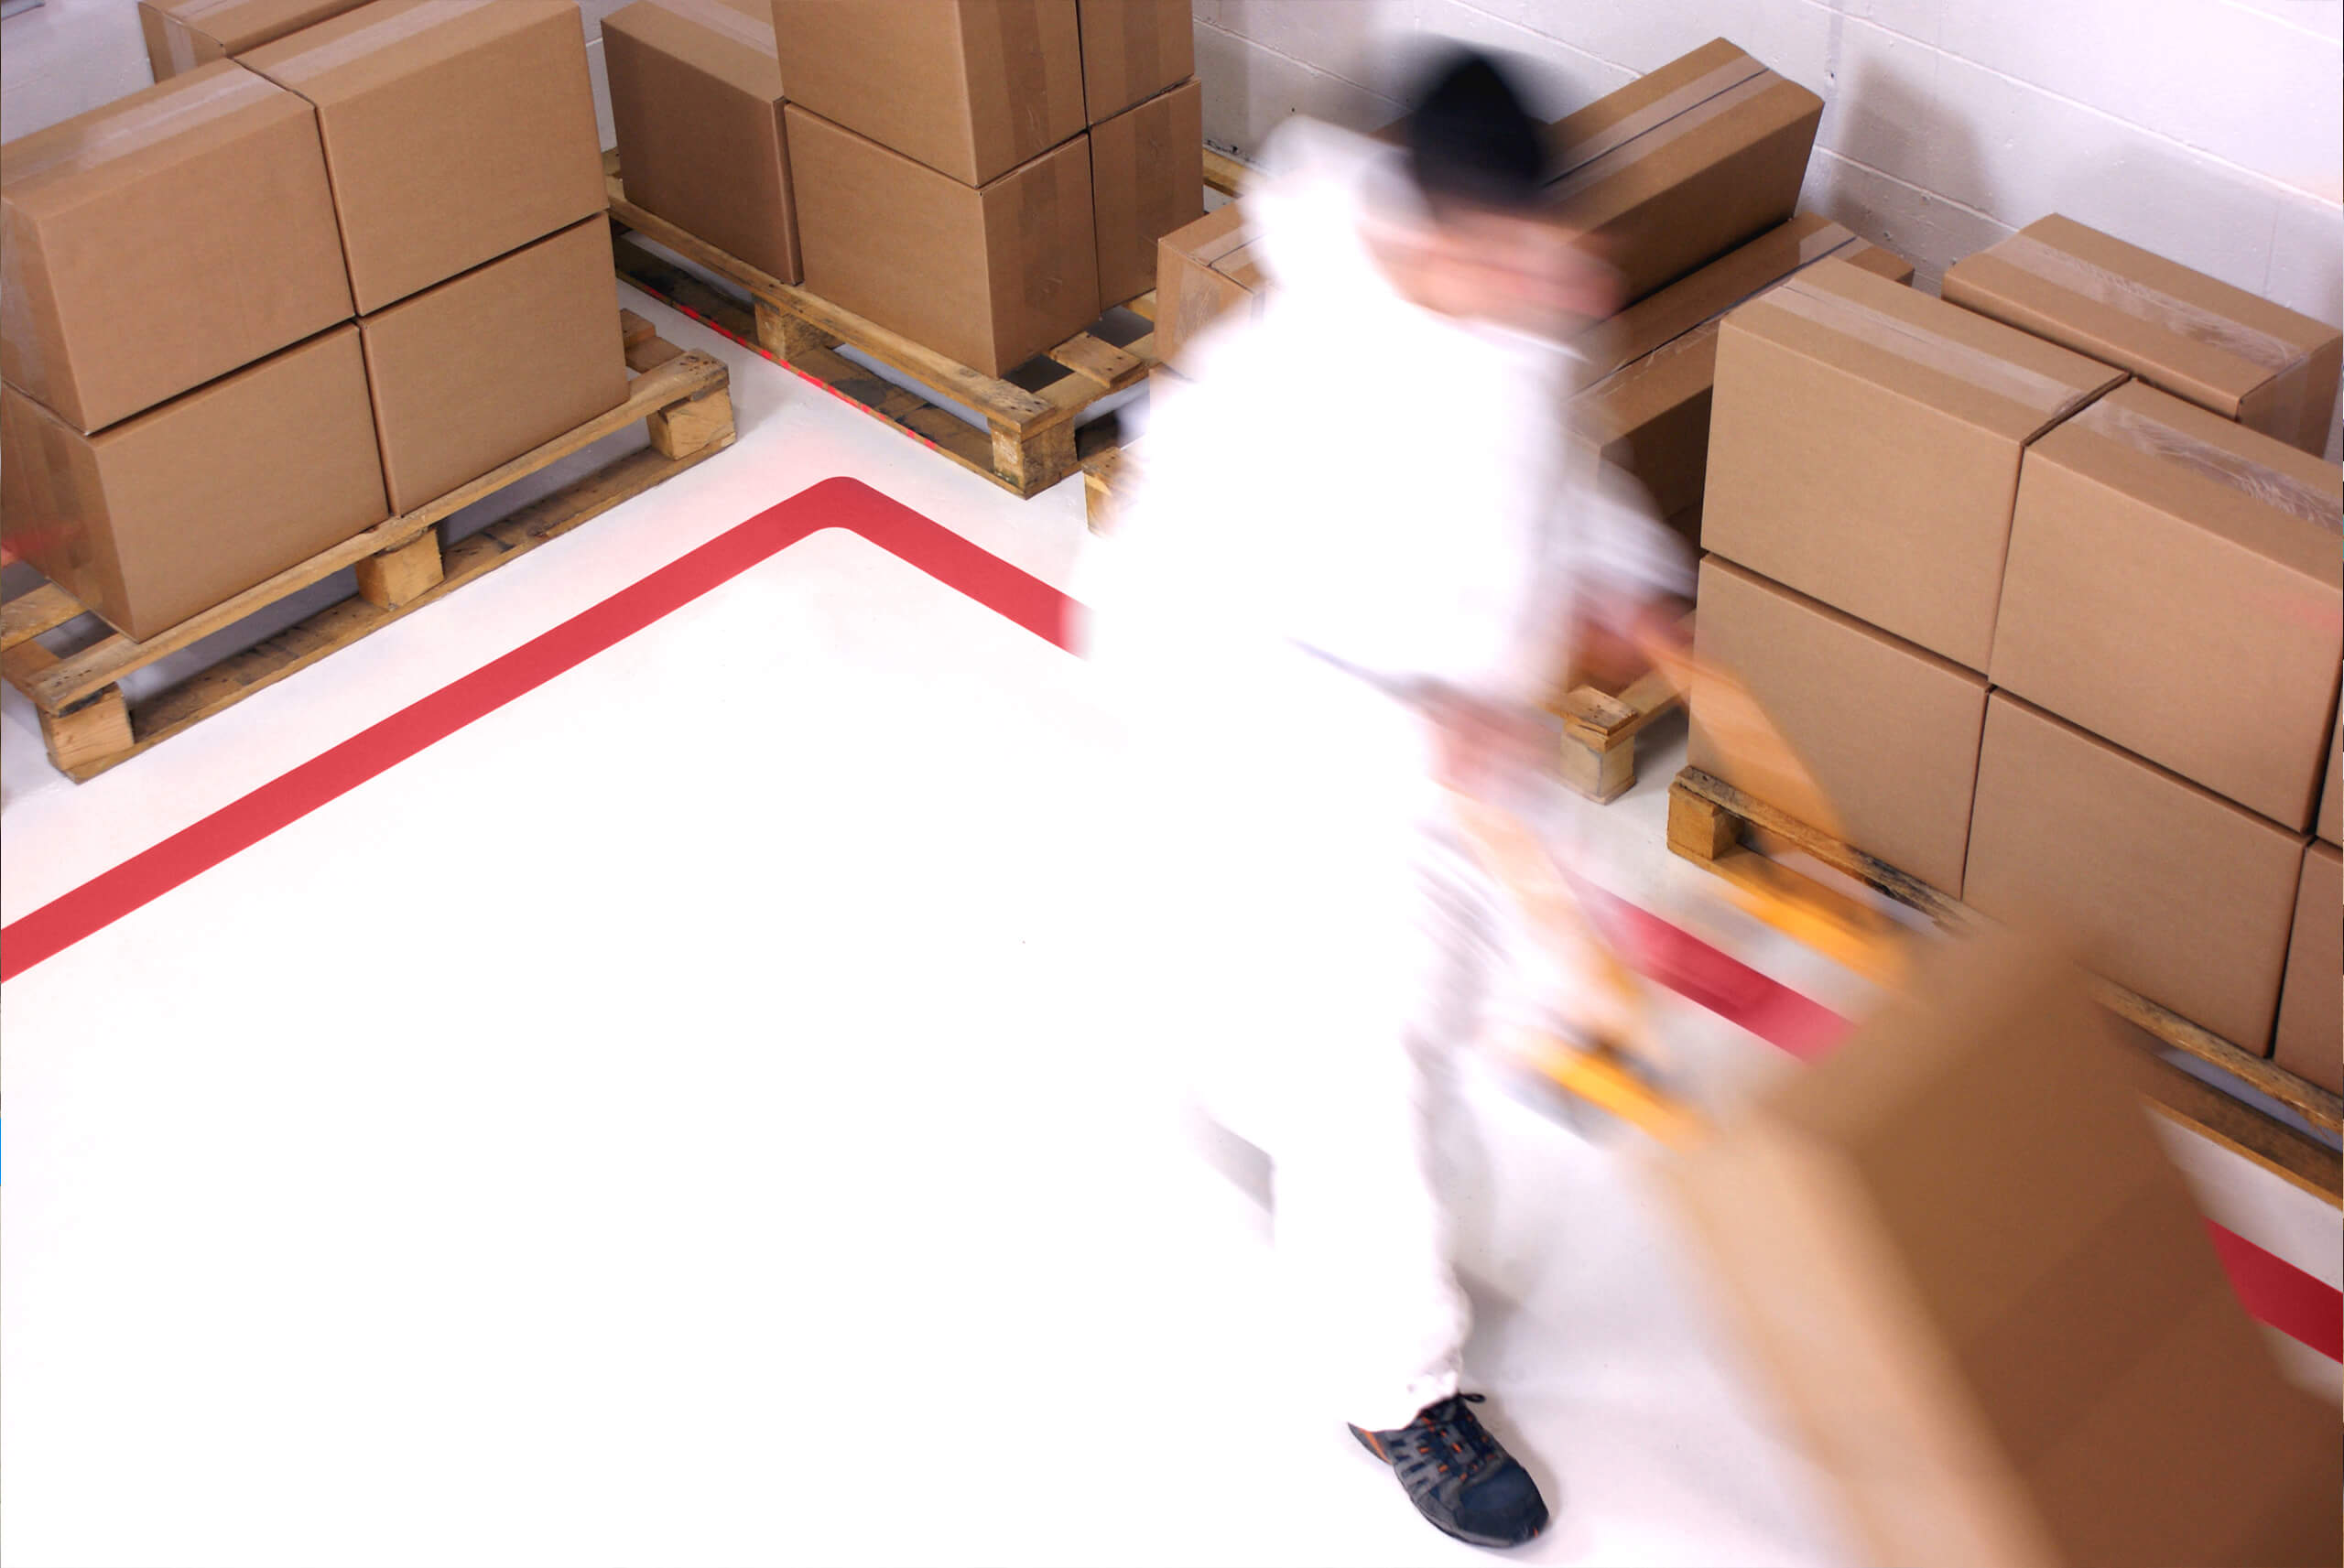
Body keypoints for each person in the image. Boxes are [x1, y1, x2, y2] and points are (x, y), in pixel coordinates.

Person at [1080, 49, 1692, 1552]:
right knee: (1371, 1085)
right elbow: (1151, 623)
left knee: (1496, 995)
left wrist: (1622, 583)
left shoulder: (1511, 314)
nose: (1547, 285)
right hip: (1303, 787)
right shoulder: (1274, 393)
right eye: (1510, 257)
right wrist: (1408, 725)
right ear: (1428, 233)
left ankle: (1272, 1100)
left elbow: (1553, 472)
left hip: (1477, 769)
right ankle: (1393, 1391)